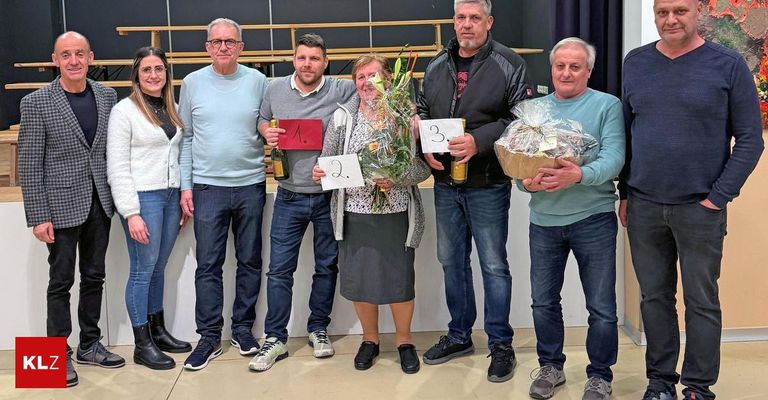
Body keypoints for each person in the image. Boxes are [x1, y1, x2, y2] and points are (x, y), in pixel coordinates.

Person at [620, 1, 764, 399]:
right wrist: (625, 192)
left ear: (699, 11)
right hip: (645, 206)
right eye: (662, 11)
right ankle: (660, 382)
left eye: (680, 10)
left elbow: (750, 140)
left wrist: (718, 198)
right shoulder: (636, 63)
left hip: (700, 208)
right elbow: (627, 135)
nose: (670, 19)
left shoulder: (728, 65)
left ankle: (698, 387)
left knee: (701, 301)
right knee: (654, 298)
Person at [416, 0, 531, 382]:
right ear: (454, 21)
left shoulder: (509, 63)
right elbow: (422, 110)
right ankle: (459, 336)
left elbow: (521, 118)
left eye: (475, 18)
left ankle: (501, 344)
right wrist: (424, 143)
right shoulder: (437, 64)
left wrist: (478, 141)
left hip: (488, 183)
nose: (467, 24)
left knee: (493, 266)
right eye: (461, 17)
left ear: (489, 21)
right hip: (446, 184)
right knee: (452, 262)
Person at [18, 31, 126, 387]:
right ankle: (56, 354)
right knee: (61, 281)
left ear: (91, 57)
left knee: (95, 276)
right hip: (60, 206)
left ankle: (90, 344)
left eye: (80, 53)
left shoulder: (108, 96)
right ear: (55, 60)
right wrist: (39, 216)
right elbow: (29, 165)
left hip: (100, 203)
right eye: (66, 55)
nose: (74, 60)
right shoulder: (36, 102)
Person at [519, 38, 624, 400]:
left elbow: (614, 158)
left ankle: (600, 376)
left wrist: (578, 175)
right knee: (543, 302)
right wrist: (526, 183)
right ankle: (551, 367)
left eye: (575, 66)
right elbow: (519, 164)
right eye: (560, 66)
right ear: (552, 69)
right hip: (544, 221)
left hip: (594, 219)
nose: (566, 73)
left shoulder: (607, 105)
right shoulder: (532, 110)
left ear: (588, 71)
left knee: (602, 307)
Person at [311, 54, 430, 374]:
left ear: (388, 80)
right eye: (360, 77)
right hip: (354, 213)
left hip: (396, 212)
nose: (366, 82)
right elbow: (326, 160)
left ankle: (404, 341)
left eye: (373, 76)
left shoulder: (405, 116)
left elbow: (423, 168)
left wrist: (398, 177)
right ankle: (370, 339)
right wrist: (320, 173)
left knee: (400, 281)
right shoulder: (342, 117)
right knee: (360, 280)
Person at [247, 33, 355, 371]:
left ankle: (318, 329)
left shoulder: (342, 90)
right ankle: (275, 338)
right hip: (289, 195)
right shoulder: (274, 89)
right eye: (301, 58)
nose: (307, 64)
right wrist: (265, 131)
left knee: (326, 267)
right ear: (294, 59)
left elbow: (367, 106)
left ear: (325, 62)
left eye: (314, 59)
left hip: (328, 196)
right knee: (279, 270)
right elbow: (261, 119)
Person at [178, 17, 269, 371]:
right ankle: (209, 336)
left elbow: (266, 126)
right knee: (208, 265)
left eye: (230, 41)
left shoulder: (258, 81)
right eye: (216, 42)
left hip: (250, 185)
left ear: (241, 47)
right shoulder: (192, 83)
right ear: (207, 47)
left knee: (250, 260)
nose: (223, 47)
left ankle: (243, 330)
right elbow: (186, 138)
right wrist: (186, 185)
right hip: (207, 187)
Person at [106, 47, 192, 370]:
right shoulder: (124, 112)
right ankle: (142, 344)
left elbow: (178, 154)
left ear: (166, 73)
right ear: (136, 75)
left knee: (158, 267)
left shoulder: (173, 108)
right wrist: (131, 212)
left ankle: (158, 331)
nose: (153, 75)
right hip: (144, 199)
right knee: (143, 270)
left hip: (170, 197)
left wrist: (182, 193)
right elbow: (117, 166)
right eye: (146, 70)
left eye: (159, 69)